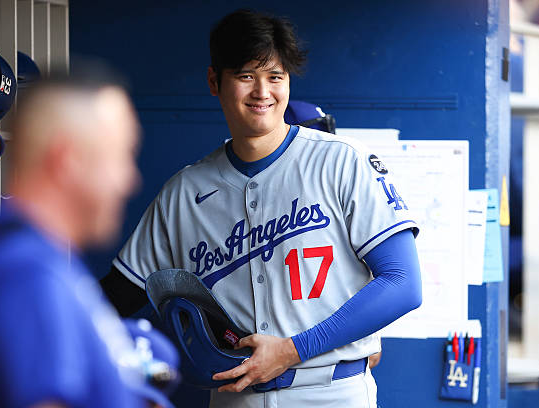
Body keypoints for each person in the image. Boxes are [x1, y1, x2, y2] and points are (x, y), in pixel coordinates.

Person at [101, 9, 422, 407]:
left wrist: (293, 350)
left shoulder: (342, 161)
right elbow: (115, 298)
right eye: (246, 76)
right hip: (236, 398)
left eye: (275, 77)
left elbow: (403, 283)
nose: (263, 92)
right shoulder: (184, 192)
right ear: (214, 81)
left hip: (332, 392)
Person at [0, 69, 167, 408]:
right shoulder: (27, 275)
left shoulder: (38, 264)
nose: (130, 180)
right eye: (120, 156)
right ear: (68, 159)